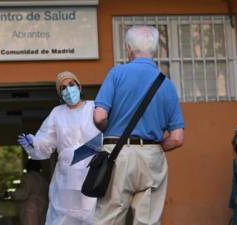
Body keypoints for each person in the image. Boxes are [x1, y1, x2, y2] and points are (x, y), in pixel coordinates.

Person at [93, 25, 184, 225]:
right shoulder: (167, 84)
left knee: (108, 218)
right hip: (152, 157)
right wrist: (154, 147)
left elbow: (99, 117)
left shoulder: (117, 74)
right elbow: (177, 138)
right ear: (154, 51)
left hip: (118, 154)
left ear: (128, 49)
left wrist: (108, 131)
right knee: (148, 220)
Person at [17, 71, 101, 225]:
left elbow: (104, 136)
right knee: (63, 217)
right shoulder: (57, 113)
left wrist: (85, 153)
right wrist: (34, 143)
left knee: (94, 216)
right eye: (63, 88)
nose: (68, 90)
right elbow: (46, 142)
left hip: (92, 172)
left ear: (79, 87)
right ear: (60, 94)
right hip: (66, 176)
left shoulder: (94, 107)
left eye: (71, 84)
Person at [7, 159, 48, 225]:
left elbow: (23, 193)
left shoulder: (28, 177)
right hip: (43, 208)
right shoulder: (43, 179)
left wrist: (10, 194)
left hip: (31, 210)